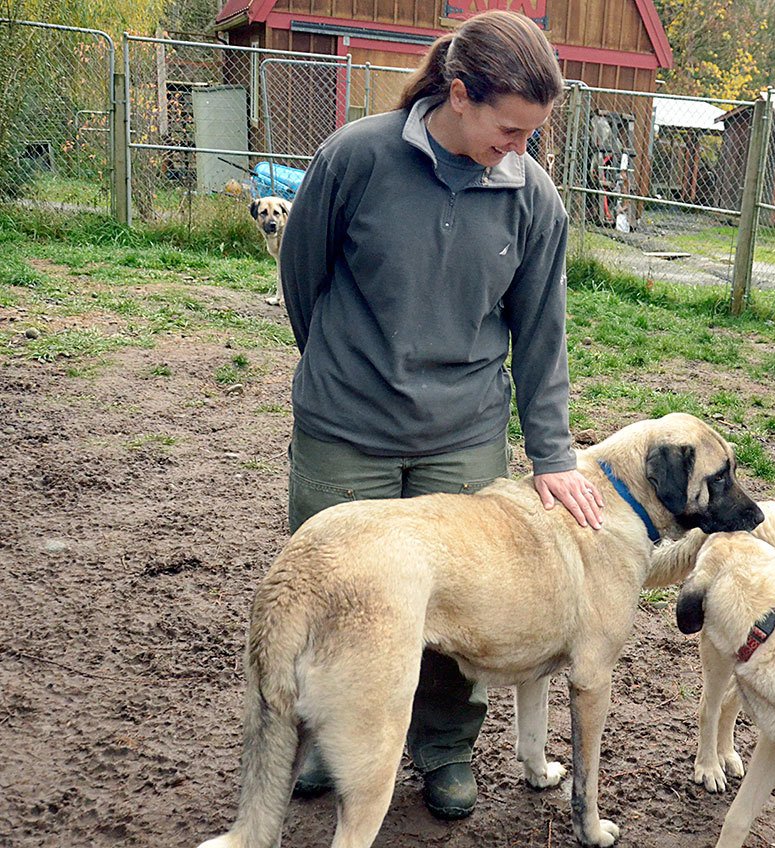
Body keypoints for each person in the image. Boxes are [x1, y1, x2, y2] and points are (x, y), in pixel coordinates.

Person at [277, 9, 603, 821]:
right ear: (459, 95)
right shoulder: (357, 157)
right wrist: (341, 368)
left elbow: (541, 333)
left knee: (467, 610)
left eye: (533, 133)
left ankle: (446, 748)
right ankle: (323, 738)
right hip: (346, 429)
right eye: (510, 128)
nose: (520, 148)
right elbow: (302, 274)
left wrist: (553, 453)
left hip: (461, 434)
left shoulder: (532, 198)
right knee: (335, 598)